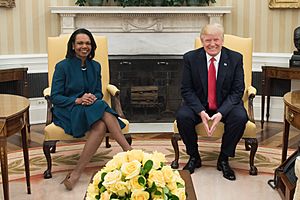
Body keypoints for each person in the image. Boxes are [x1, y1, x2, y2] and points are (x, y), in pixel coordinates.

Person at [50, 28, 132, 190]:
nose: (84, 46)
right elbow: (56, 96)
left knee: (101, 124)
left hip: (89, 108)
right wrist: (78, 99)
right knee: (102, 107)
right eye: (80, 43)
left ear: (92, 46)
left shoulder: (95, 66)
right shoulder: (62, 66)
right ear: (73, 46)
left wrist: (92, 97)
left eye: (88, 43)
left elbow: (97, 92)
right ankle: (129, 151)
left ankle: (76, 173)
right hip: (68, 109)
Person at [176, 23, 248, 181]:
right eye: (208, 40)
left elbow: (237, 91)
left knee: (240, 117)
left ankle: (223, 158)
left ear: (222, 40)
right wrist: (201, 112)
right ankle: (194, 156)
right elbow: (186, 90)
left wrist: (221, 113)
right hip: (199, 105)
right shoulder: (190, 58)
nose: (212, 44)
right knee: (182, 116)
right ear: (202, 40)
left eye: (216, 39)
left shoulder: (235, 58)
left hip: (225, 105)